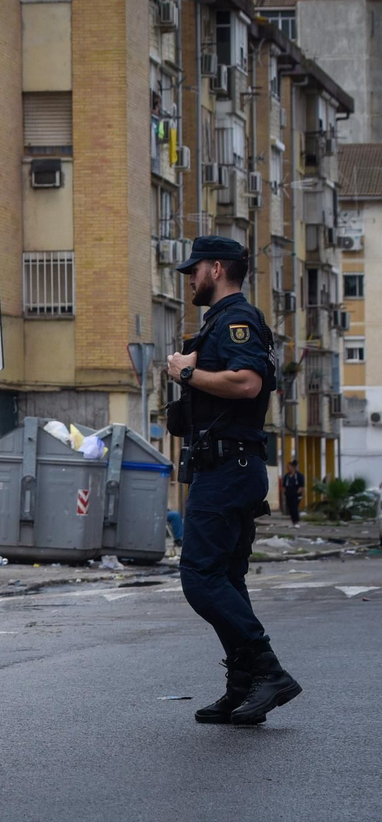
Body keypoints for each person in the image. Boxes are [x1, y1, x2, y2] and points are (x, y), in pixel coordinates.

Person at [166, 236, 301, 727]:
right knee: (226, 578)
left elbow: (247, 382)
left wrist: (187, 375)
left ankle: (269, 670)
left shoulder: (235, 321)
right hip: (229, 467)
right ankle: (244, 685)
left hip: (229, 470)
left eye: (195, 269)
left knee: (200, 577)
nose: (190, 278)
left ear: (217, 268)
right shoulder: (221, 321)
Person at [280, 457, 304, 527]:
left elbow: (301, 486)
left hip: (296, 495)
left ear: (293, 467)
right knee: (290, 509)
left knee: (295, 507)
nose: (288, 468)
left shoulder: (299, 476)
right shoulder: (286, 476)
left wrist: (297, 493)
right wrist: (285, 494)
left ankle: (296, 522)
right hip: (288, 495)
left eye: (289, 467)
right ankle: (293, 522)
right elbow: (284, 486)